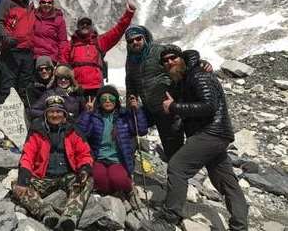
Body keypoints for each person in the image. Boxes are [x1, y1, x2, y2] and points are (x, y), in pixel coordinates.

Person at [140, 46, 248, 231]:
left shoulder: (198, 74)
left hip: (210, 132)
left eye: (172, 58)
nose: (169, 62)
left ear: (181, 58)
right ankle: (240, 226)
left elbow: (208, 106)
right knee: (225, 181)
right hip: (214, 134)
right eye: (165, 61)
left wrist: (174, 107)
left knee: (177, 167)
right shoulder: (185, 78)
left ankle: (168, 219)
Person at [124, 26, 212, 161]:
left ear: (145, 38)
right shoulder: (131, 59)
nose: (135, 42)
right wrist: (131, 97)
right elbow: (130, 81)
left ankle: (179, 175)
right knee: (126, 126)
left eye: (138, 38)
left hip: (168, 109)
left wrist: (201, 63)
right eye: (131, 41)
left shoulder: (158, 51)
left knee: (173, 149)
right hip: (149, 108)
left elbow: (180, 62)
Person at [13, 95, 93, 231]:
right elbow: (27, 156)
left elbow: (84, 154)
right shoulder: (37, 130)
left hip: (67, 175)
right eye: (51, 111)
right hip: (43, 176)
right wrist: (23, 179)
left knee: (88, 181)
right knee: (16, 184)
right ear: (46, 114)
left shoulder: (73, 130)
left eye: (58, 111)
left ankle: (69, 217)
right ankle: (46, 213)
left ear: (64, 114)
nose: (55, 115)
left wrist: (84, 170)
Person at [77, 85, 148, 195]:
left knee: (118, 180)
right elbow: (81, 133)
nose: (108, 101)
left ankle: (122, 189)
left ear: (117, 101)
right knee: (100, 180)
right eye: (104, 99)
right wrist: (87, 113)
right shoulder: (94, 116)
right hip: (98, 159)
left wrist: (137, 110)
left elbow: (141, 130)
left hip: (118, 160)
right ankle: (112, 194)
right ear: (99, 102)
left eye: (111, 98)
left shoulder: (124, 116)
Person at [66, 2, 136, 98]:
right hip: (77, 88)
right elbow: (63, 63)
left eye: (88, 23)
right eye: (82, 23)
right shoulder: (71, 44)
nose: (85, 25)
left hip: (96, 88)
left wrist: (129, 13)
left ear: (91, 26)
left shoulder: (99, 41)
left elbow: (117, 30)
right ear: (78, 26)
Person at [0, 0, 36, 106]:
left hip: (28, 51)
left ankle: (25, 117)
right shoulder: (8, 1)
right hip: (11, 50)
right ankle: (3, 117)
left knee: (25, 86)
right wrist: (6, 37)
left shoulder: (31, 4)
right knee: (8, 85)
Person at [33, 0, 69, 64]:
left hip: (51, 57)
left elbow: (63, 42)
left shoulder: (59, 20)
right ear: (40, 3)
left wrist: (62, 60)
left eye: (49, 2)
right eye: (44, 2)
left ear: (52, 4)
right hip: (34, 57)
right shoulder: (34, 16)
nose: (46, 5)